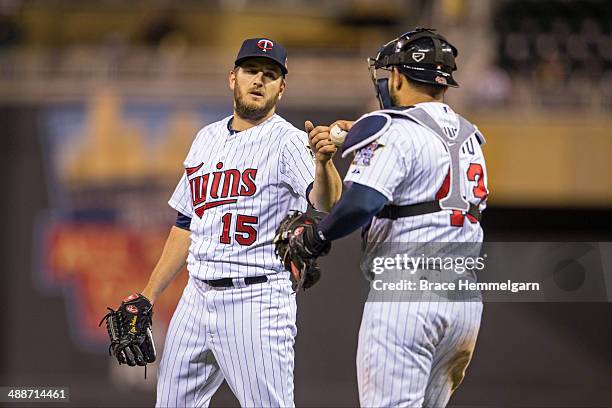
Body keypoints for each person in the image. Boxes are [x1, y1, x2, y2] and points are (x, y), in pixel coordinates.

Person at [129, 37, 341, 407]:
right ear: (233, 78)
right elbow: (186, 223)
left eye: (270, 74)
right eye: (251, 71)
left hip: (255, 299)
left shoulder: (288, 141)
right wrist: (149, 293)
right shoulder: (205, 137)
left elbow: (326, 201)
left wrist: (324, 164)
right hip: (196, 298)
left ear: (281, 88)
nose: (259, 80)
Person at [289, 28, 489, 407]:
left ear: (397, 76)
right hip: (463, 303)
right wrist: (359, 137)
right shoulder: (471, 137)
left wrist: (316, 237)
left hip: (408, 296)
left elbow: (362, 201)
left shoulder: (394, 129)